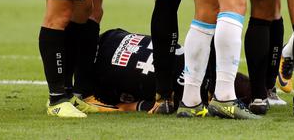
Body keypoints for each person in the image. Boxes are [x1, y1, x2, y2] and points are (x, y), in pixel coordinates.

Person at [91, 28, 252, 112]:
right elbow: (124, 107)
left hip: (110, 38)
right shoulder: (186, 99)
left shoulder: (202, 57)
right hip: (99, 78)